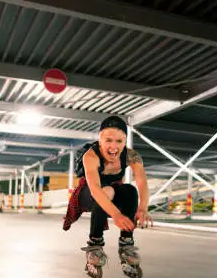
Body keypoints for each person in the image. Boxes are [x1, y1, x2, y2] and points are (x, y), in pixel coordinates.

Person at [63, 115, 152, 268]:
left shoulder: (132, 156)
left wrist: (143, 208)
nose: (113, 147)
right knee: (107, 191)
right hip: (88, 193)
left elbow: (142, 182)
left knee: (130, 190)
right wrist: (117, 214)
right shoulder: (90, 156)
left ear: (125, 141)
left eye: (119, 141)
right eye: (108, 140)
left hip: (111, 192)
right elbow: (96, 189)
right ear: (100, 140)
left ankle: (126, 242)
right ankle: (95, 244)